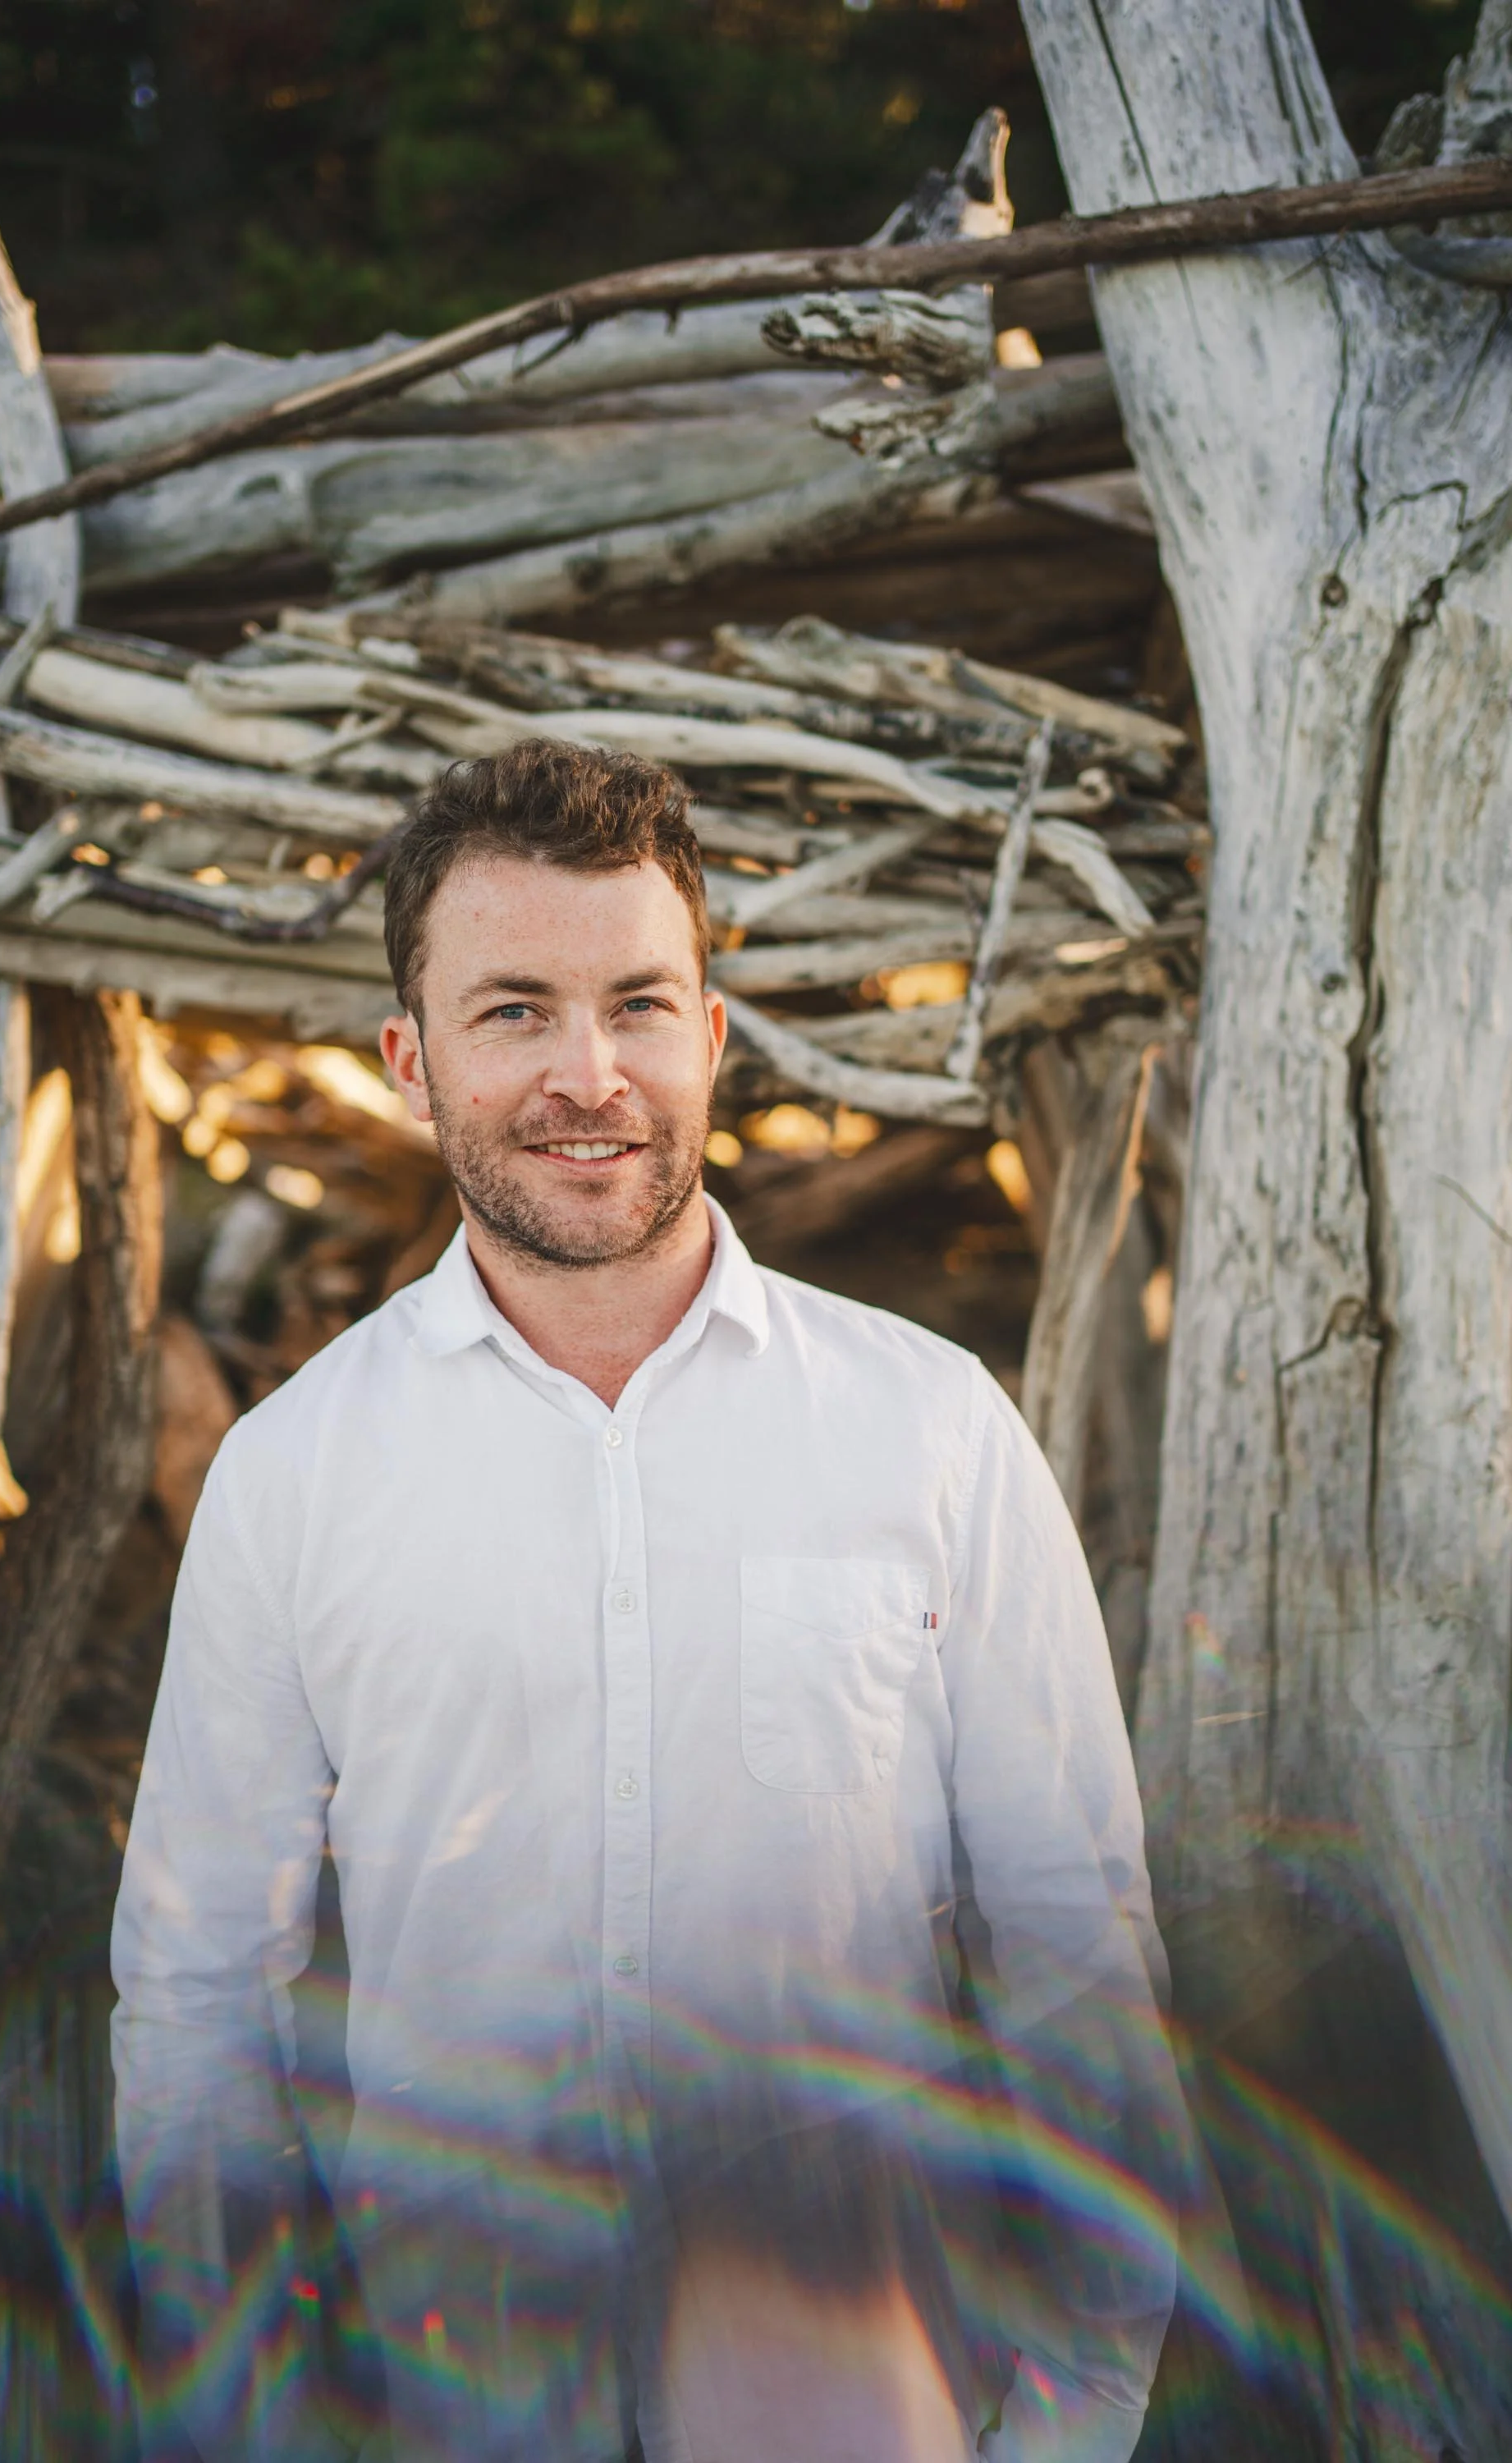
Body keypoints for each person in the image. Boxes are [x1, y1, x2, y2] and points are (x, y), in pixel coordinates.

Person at [112, 738, 1189, 2463]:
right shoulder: (291, 1480)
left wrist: (1070, 2418)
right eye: (515, 1010)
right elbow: (194, 2006)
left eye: (636, 1003)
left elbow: (1075, 1952)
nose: (587, 1072)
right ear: (412, 1058)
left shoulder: (927, 1433)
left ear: (712, 1032)